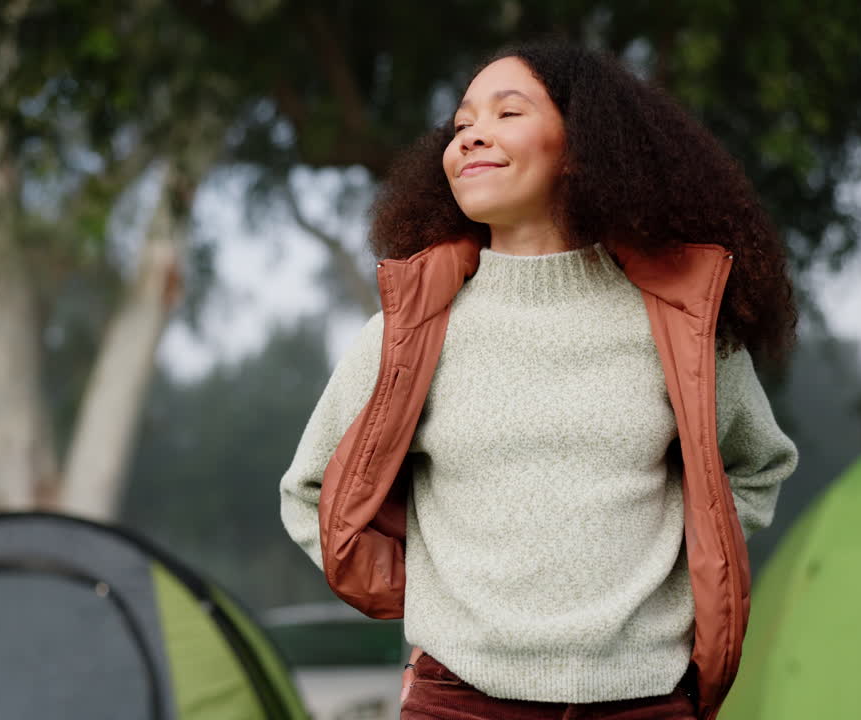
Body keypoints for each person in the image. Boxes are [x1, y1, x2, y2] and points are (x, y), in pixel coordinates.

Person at [278, 41, 798, 720]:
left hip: (646, 703)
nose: (472, 136)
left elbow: (757, 467)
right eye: (461, 124)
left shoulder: (677, 321)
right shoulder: (412, 329)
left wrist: (679, 568)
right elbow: (311, 492)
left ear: (582, 145)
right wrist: (438, 599)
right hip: (458, 704)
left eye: (507, 112)